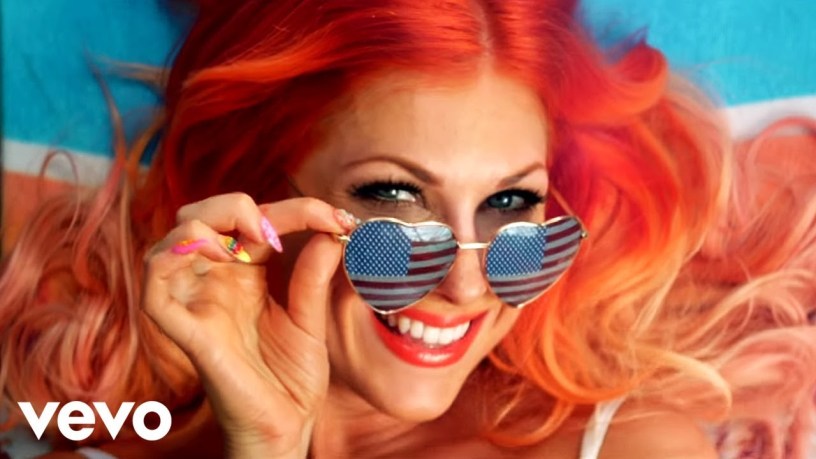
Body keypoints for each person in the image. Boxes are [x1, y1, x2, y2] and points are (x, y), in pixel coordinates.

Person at [1, 0, 815, 457]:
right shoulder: (81, 440)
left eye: (510, 205)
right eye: (394, 199)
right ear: (257, 200)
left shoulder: (633, 449)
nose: (466, 284)